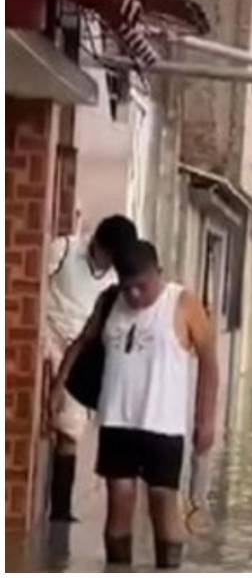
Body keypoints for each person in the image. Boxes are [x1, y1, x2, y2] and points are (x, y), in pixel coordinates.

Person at [50, 240, 219, 569]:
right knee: (119, 505)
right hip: (116, 423)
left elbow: (209, 361)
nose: (136, 295)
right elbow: (82, 342)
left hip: (163, 427)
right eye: (128, 287)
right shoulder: (110, 301)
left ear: (159, 274)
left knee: (162, 504)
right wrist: (59, 385)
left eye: (142, 286)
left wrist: (206, 419)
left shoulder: (182, 303)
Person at [46, 214, 138, 522]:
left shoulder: (115, 282)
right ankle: (58, 510)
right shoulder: (64, 250)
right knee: (61, 421)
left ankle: (60, 509)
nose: (109, 262)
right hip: (48, 338)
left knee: (71, 428)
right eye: (107, 255)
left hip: (79, 350)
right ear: (97, 244)